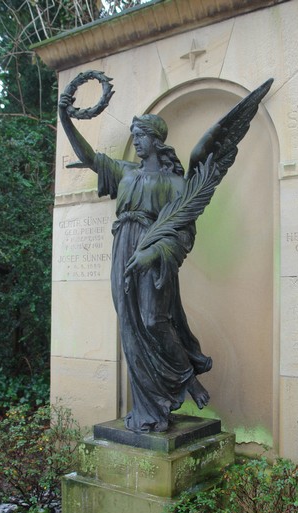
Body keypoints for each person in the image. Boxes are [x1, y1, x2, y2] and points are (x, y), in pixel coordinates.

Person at [59, 96, 211, 433]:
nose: (136, 141)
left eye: (140, 135)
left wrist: (154, 253)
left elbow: (185, 233)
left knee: (153, 319)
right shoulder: (125, 173)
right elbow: (89, 157)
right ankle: (147, 410)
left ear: (156, 140)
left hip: (153, 253)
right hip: (122, 249)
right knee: (130, 326)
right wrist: (65, 118)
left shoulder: (175, 184)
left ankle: (188, 378)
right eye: (134, 135)